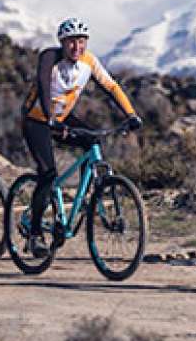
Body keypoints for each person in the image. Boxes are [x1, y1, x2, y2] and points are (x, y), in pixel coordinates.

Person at [21, 17, 142, 257]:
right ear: (62, 43)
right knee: (47, 174)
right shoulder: (49, 58)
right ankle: (34, 235)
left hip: (62, 117)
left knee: (92, 141)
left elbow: (112, 87)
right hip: (37, 120)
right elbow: (44, 87)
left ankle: (86, 194)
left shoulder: (89, 61)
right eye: (71, 43)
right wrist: (50, 121)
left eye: (81, 41)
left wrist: (131, 114)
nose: (77, 47)